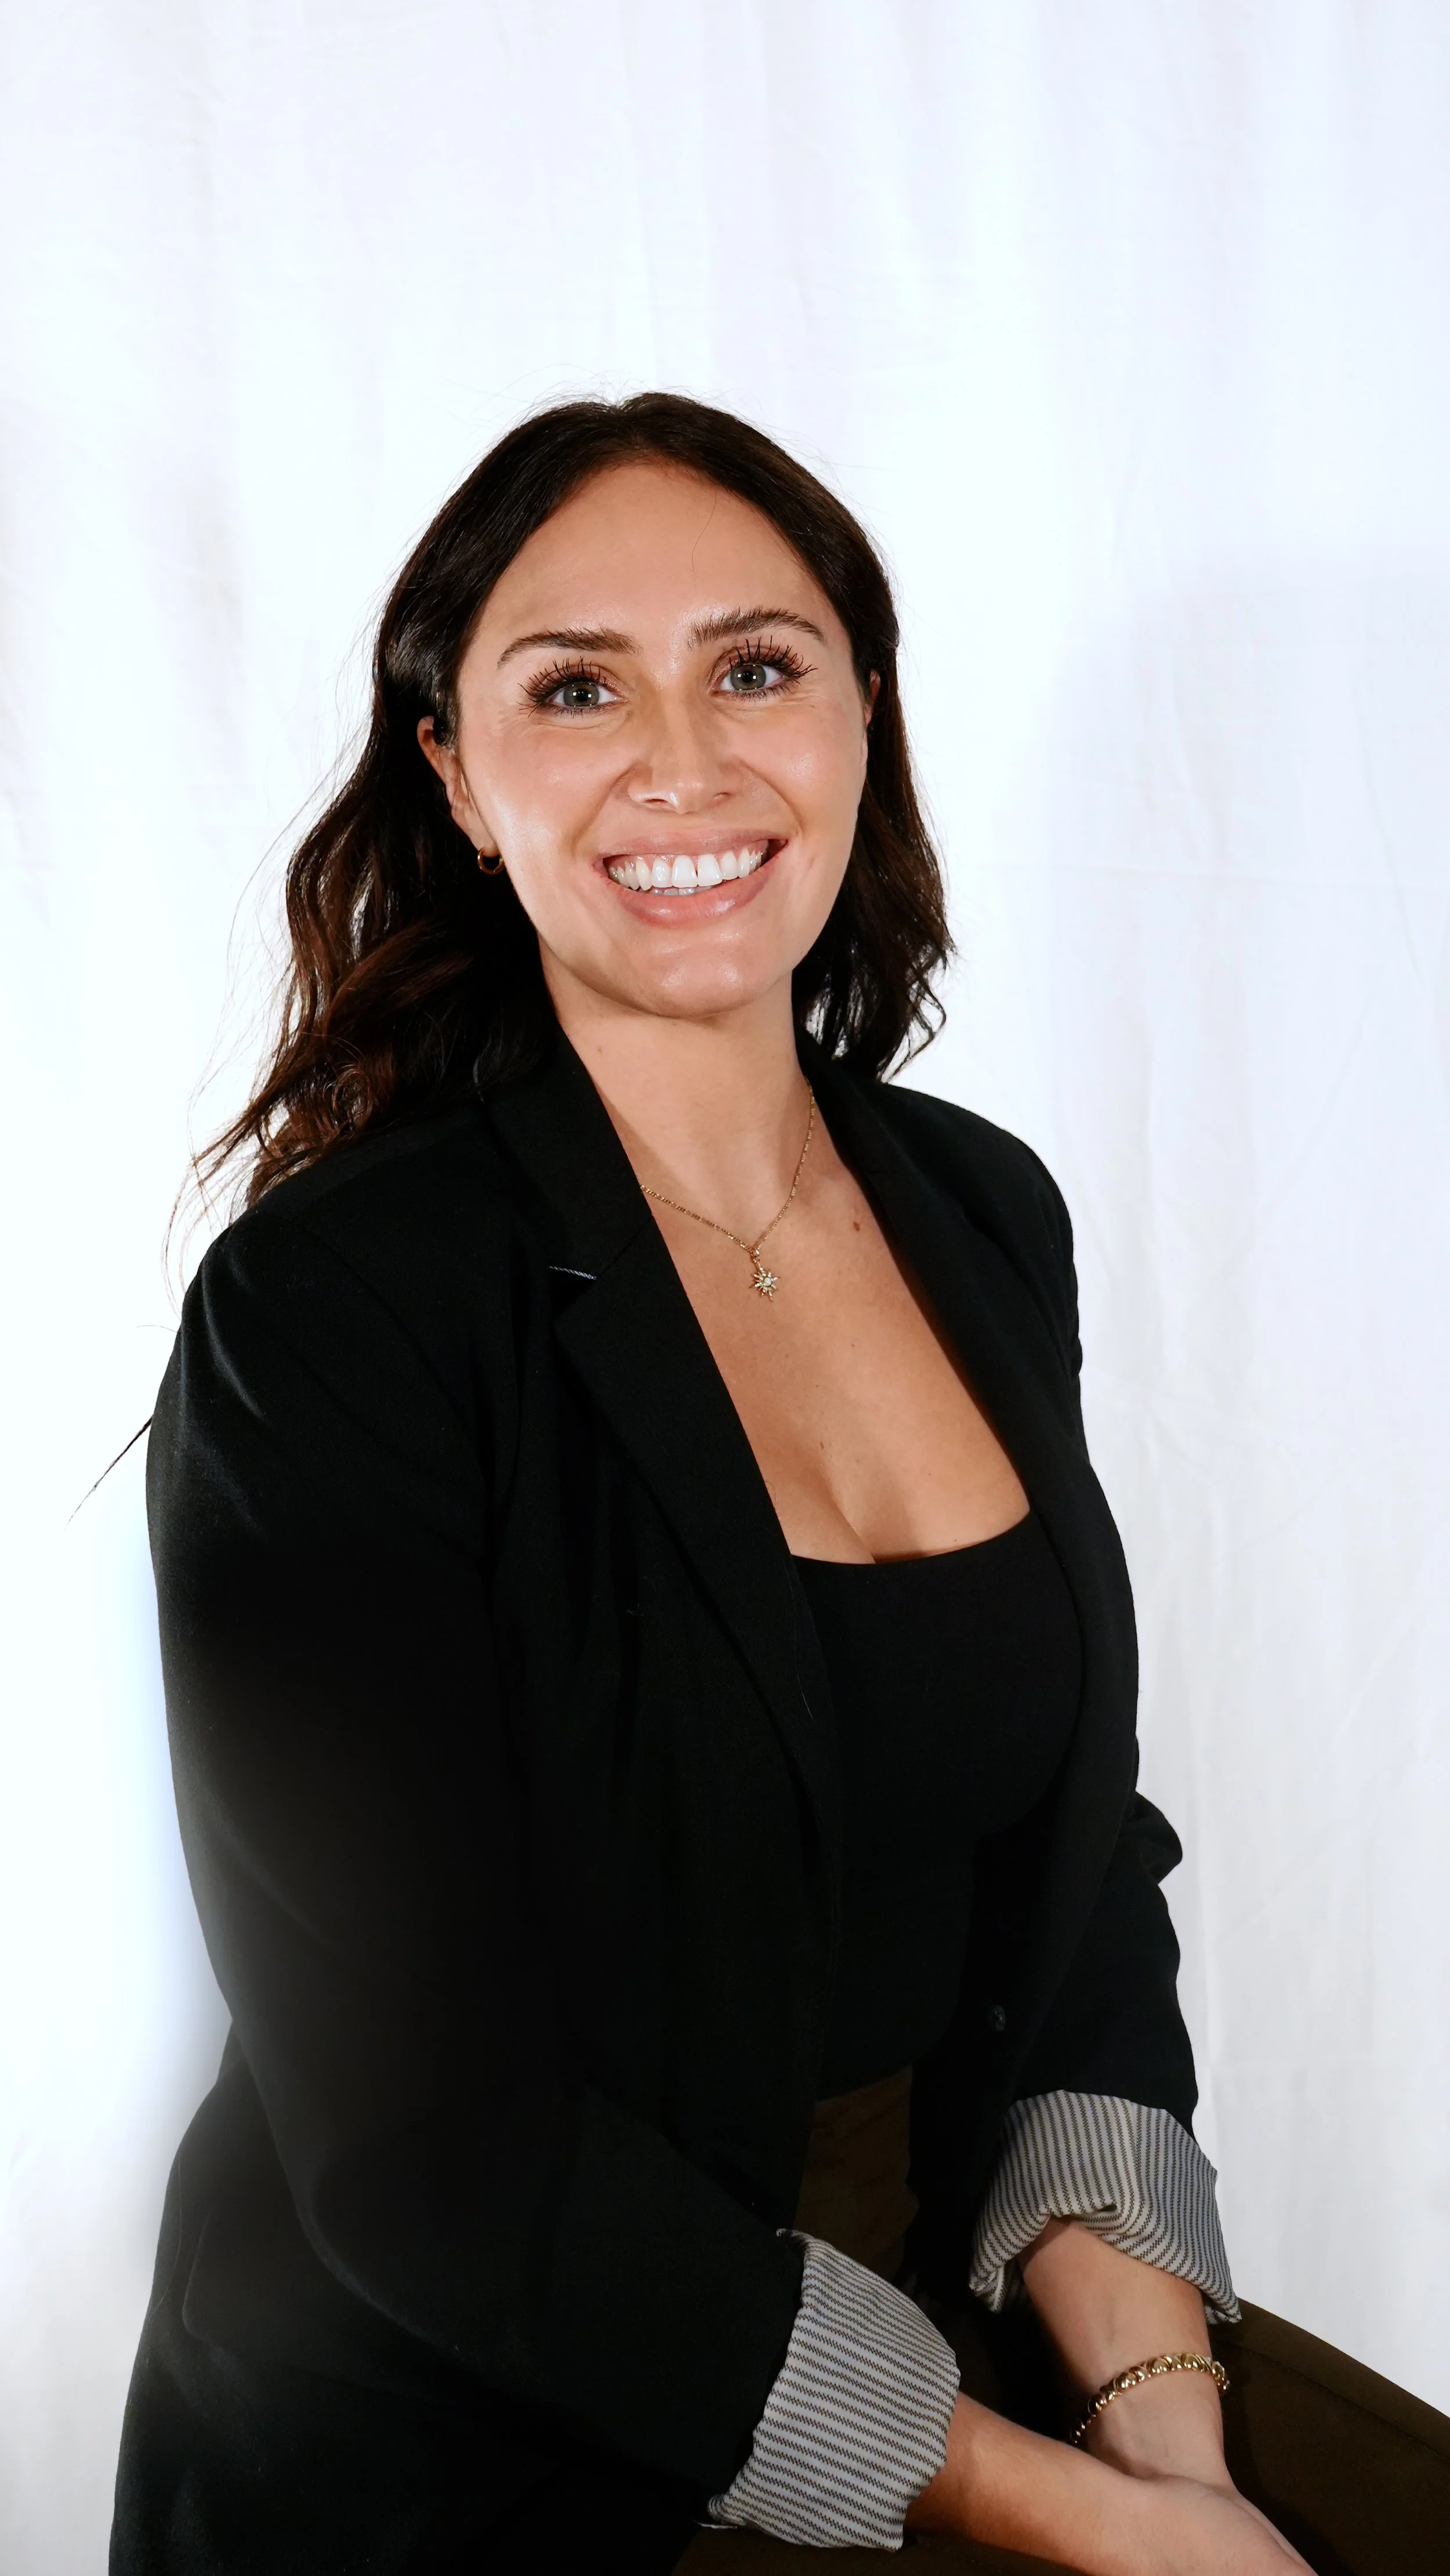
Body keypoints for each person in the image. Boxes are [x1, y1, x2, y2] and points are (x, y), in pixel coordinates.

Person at [111, 395, 1448, 2575]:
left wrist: (1169, 2441)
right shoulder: (337, 1311)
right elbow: (429, 2147)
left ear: (859, 717)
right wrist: (1084, 2531)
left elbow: (1070, 1854)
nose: (683, 762)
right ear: (449, 772)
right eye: (572, 687)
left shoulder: (976, 1209)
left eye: (754, 665)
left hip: (958, 2282)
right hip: (513, 2387)